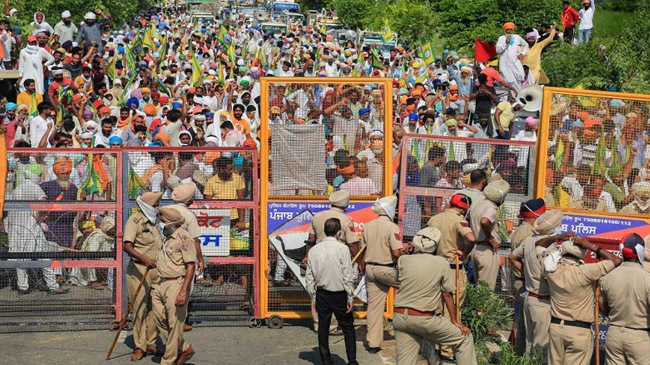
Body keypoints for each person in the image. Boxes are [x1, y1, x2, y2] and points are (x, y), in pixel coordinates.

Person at [393, 227, 477, 365]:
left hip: (400, 317)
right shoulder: (441, 263)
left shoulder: (403, 260)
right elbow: (447, 294)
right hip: (424, 318)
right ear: (436, 245)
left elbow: (399, 281)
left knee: (405, 361)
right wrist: (455, 321)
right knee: (464, 339)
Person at [546, 236, 622, 365]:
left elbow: (539, 246)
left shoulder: (551, 270)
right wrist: (590, 246)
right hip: (579, 330)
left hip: (556, 328)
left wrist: (558, 237)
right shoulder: (586, 271)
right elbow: (616, 260)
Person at [509, 209, 572, 359]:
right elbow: (550, 275)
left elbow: (512, 257)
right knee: (540, 350)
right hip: (543, 301)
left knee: (529, 345)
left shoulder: (530, 239)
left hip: (529, 298)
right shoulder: (550, 247)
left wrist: (528, 273)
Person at [299, 190, 360, 333]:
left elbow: (311, 239)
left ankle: (318, 323)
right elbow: (352, 244)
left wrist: (307, 256)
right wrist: (360, 262)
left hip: (318, 254)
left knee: (317, 288)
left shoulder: (318, 216)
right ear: (346, 204)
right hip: (337, 255)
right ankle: (332, 327)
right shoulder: (345, 220)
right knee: (334, 288)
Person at [427, 193, 476, 361]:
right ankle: (447, 350)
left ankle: (435, 346)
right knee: (453, 308)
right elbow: (471, 238)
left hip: (434, 266)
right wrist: (465, 253)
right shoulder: (459, 220)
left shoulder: (435, 219)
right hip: (452, 267)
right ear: (464, 208)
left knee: (438, 307)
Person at [5, 165, 67, 295]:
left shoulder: (18, 188)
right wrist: (39, 216)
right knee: (44, 257)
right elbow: (43, 202)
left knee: (20, 258)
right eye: (39, 175)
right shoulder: (34, 187)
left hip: (16, 228)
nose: (40, 178)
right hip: (31, 228)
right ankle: (53, 286)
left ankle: (23, 287)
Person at [305, 218, 358, 365]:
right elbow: (347, 274)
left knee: (323, 327)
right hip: (339, 293)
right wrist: (350, 296)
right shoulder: (342, 249)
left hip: (321, 293)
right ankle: (352, 360)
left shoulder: (315, 250)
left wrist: (313, 296)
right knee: (347, 327)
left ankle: (325, 360)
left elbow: (309, 276)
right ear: (339, 232)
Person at [151, 206, 197, 365]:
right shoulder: (164, 236)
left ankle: (168, 360)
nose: (160, 223)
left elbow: (191, 265)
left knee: (175, 322)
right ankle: (183, 347)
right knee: (159, 318)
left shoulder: (184, 238)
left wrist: (183, 291)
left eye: (162, 220)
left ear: (170, 222)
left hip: (176, 283)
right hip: (160, 283)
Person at [123, 191, 164, 361]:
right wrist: (144, 259)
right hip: (140, 270)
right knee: (139, 308)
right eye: (155, 205)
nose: (158, 207)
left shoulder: (158, 221)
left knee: (155, 308)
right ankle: (140, 346)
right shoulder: (135, 221)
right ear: (147, 206)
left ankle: (151, 343)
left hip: (158, 271)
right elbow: (127, 246)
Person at [599, 233, 650, 365]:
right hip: (640, 335)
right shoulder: (647, 279)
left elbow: (603, 307)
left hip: (614, 333)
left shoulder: (609, 276)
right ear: (640, 252)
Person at [363, 196, 402, 352]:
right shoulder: (392, 227)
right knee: (413, 286)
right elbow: (397, 252)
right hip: (386, 269)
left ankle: (373, 343)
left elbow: (364, 248)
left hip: (370, 268)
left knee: (374, 307)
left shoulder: (368, 226)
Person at [508, 198, 545, 355]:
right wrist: (529, 274)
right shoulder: (527, 233)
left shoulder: (524, 230)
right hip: (524, 283)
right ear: (536, 215)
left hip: (523, 282)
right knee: (524, 327)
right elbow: (520, 259)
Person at [170, 182, 204, 332]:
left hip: (167, 254)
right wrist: (200, 259)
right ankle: (179, 321)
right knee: (185, 287)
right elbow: (195, 240)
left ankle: (167, 318)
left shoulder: (165, 210)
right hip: (184, 256)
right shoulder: (189, 215)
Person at [470, 179, 509, 290]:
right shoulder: (491, 207)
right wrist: (490, 238)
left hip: (475, 248)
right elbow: (484, 221)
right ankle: (482, 308)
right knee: (485, 291)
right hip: (487, 250)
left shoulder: (476, 203)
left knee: (479, 288)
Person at [496, 22, 529, 92]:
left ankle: (519, 97)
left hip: (515, 63)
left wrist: (523, 53)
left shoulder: (517, 37)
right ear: (505, 30)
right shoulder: (501, 38)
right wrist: (505, 43)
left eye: (510, 29)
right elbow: (498, 51)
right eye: (507, 29)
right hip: (505, 65)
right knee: (508, 82)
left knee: (518, 79)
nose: (509, 31)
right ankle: (512, 98)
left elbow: (526, 45)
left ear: (513, 30)